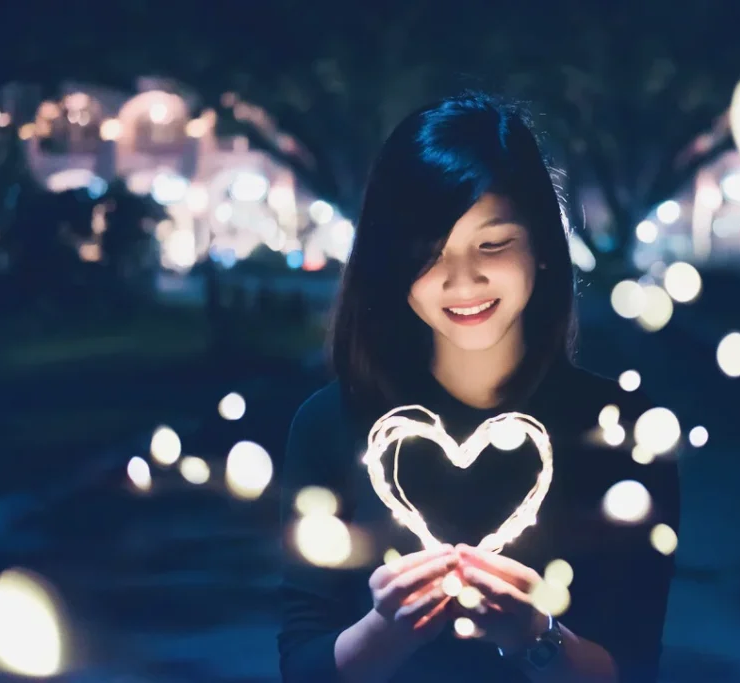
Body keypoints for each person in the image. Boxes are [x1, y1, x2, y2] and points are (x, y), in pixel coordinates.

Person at [278, 93, 680, 683]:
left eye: (493, 244)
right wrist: (386, 630)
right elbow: (302, 666)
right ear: (390, 263)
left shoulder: (622, 430)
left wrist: (535, 636)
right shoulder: (329, 425)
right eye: (427, 253)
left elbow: (634, 667)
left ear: (542, 247)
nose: (462, 281)